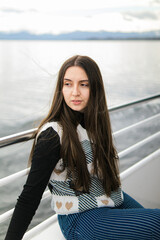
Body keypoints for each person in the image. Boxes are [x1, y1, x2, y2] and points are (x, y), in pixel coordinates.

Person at [5, 55, 160, 240]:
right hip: (80, 218)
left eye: (83, 84)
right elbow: (29, 197)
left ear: (94, 88)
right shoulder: (52, 135)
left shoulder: (94, 125)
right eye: (68, 84)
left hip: (109, 199)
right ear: (60, 88)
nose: (75, 92)